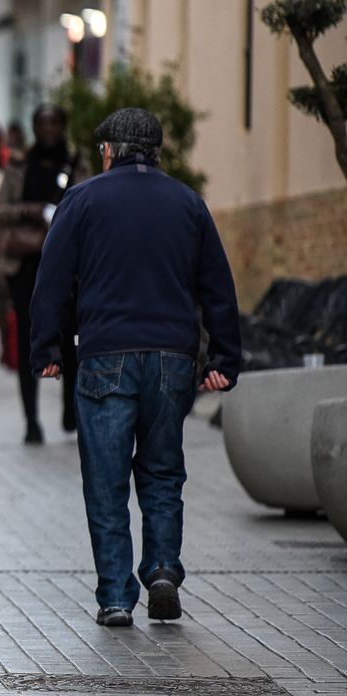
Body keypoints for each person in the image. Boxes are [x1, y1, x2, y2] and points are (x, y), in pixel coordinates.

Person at [30, 107, 241, 628]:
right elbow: (217, 287)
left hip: (105, 356)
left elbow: (51, 281)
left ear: (109, 151)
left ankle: (117, 597)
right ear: (156, 151)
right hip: (172, 358)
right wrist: (224, 360)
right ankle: (164, 569)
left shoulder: (81, 200)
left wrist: (47, 351)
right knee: (163, 470)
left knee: (106, 479)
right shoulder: (188, 204)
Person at [0, 104, 82, 444]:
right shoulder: (19, 166)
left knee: (71, 336)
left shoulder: (75, 163)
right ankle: (31, 419)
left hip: (67, 267)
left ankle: (70, 409)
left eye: (55, 123)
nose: (49, 130)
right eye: (43, 124)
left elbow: (89, 202)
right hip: (26, 264)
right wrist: (31, 210)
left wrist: (61, 212)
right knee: (28, 340)